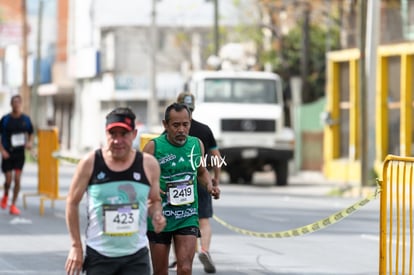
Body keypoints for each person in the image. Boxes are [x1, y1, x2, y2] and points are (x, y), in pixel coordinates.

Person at [65, 107, 166, 275]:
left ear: (134, 134)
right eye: (113, 134)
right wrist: (76, 246)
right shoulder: (91, 162)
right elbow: (72, 202)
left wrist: (157, 215)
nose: (118, 140)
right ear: (106, 135)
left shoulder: (148, 165)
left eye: (124, 134)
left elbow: (154, 200)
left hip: (136, 256)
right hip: (99, 255)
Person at [142, 103, 220, 275]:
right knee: (160, 271)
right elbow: (139, 177)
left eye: (185, 125)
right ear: (165, 125)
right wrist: (152, 188)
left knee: (185, 269)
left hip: (187, 215)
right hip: (160, 216)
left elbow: (201, 171)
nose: (181, 130)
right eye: (176, 125)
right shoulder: (153, 147)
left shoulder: (196, 144)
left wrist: (209, 185)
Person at [177, 91, 221, 273]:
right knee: (203, 219)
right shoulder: (204, 129)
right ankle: (204, 250)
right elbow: (216, 157)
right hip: (202, 180)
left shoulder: (172, 128)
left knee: (179, 221)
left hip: (177, 182)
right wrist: (216, 180)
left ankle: (180, 256)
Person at [0, 94, 34, 215]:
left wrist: (30, 143)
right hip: (7, 153)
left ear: (21, 104)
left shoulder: (26, 119)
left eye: (19, 102)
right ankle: (5, 195)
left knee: (18, 179)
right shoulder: (5, 119)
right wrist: (2, 150)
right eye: (15, 102)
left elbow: (31, 133)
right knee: (8, 179)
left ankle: (13, 204)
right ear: (11, 104)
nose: (17, 104)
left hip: (19, 154)